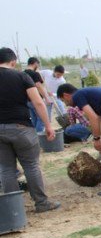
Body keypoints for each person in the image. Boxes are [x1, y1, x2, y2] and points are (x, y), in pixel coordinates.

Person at [0, 47, 60, 213]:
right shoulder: (21, 76)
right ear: (13, 61)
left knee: (6, 169)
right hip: (21, 127)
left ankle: (14, 208)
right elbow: (38, 102)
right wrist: (48, 125)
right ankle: (41, 203)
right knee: (31, 166)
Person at [56, 83, 101, 198]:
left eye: (64, 101)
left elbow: (93, 118)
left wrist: (96, 139)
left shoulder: (78, 96)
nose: (67, 104)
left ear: (66, 95)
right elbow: (100, 120)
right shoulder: (87, 94)